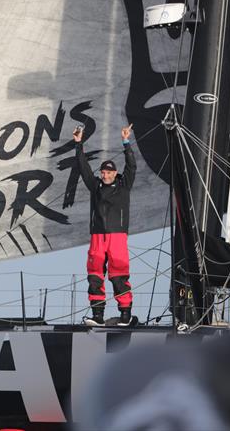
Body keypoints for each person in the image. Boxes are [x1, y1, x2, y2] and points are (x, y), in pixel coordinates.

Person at [73, 123, 136, 326]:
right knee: (94, 275)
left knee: (118, 274)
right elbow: (83, 168)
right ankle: (97, 315)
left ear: (115, 173)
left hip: (117, 236)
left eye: (109, 172)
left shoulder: (124, 184)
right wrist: (78, 144)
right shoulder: (96, 186)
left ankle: (125, 314)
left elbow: (132, 166)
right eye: (103, 172)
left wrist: (126, 142)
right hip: (98, 236)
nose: (105, 175)